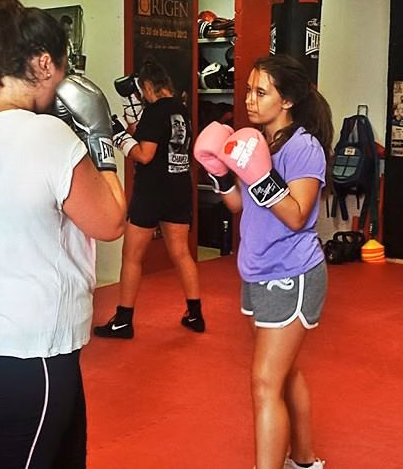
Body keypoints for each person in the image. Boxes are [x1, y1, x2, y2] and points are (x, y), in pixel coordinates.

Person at [0, 0, 126, 467]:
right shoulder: (47, 138)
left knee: (60, 454)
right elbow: (110, 220)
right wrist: (101, 137)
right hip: (32, 344)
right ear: (44, 63)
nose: (63, 81)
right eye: (62, 68)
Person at [194, 54, 333, 469]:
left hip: (292, 273)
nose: (250, 100)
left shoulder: (303, 147)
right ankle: (305, 461)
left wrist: (260, 175)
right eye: (248, 90)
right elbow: (240, 205)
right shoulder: (256, 144)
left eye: (260, 91)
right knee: (284, 373)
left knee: (263, 382)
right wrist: (219, 173)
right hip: (258, 269)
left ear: (287, 99)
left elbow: (296, 213)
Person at [93, 58, 201, 339]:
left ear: (150, 86)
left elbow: (144, 153)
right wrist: (129, 119)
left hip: (152, 191)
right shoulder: (181, 110)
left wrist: (116, 137)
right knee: (181, 252)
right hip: (178, 187)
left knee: (132, 256)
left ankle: (123, 320)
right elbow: (144, 134)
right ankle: (195, 313)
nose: (142, 96)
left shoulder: (155, 112)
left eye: (142, 91)